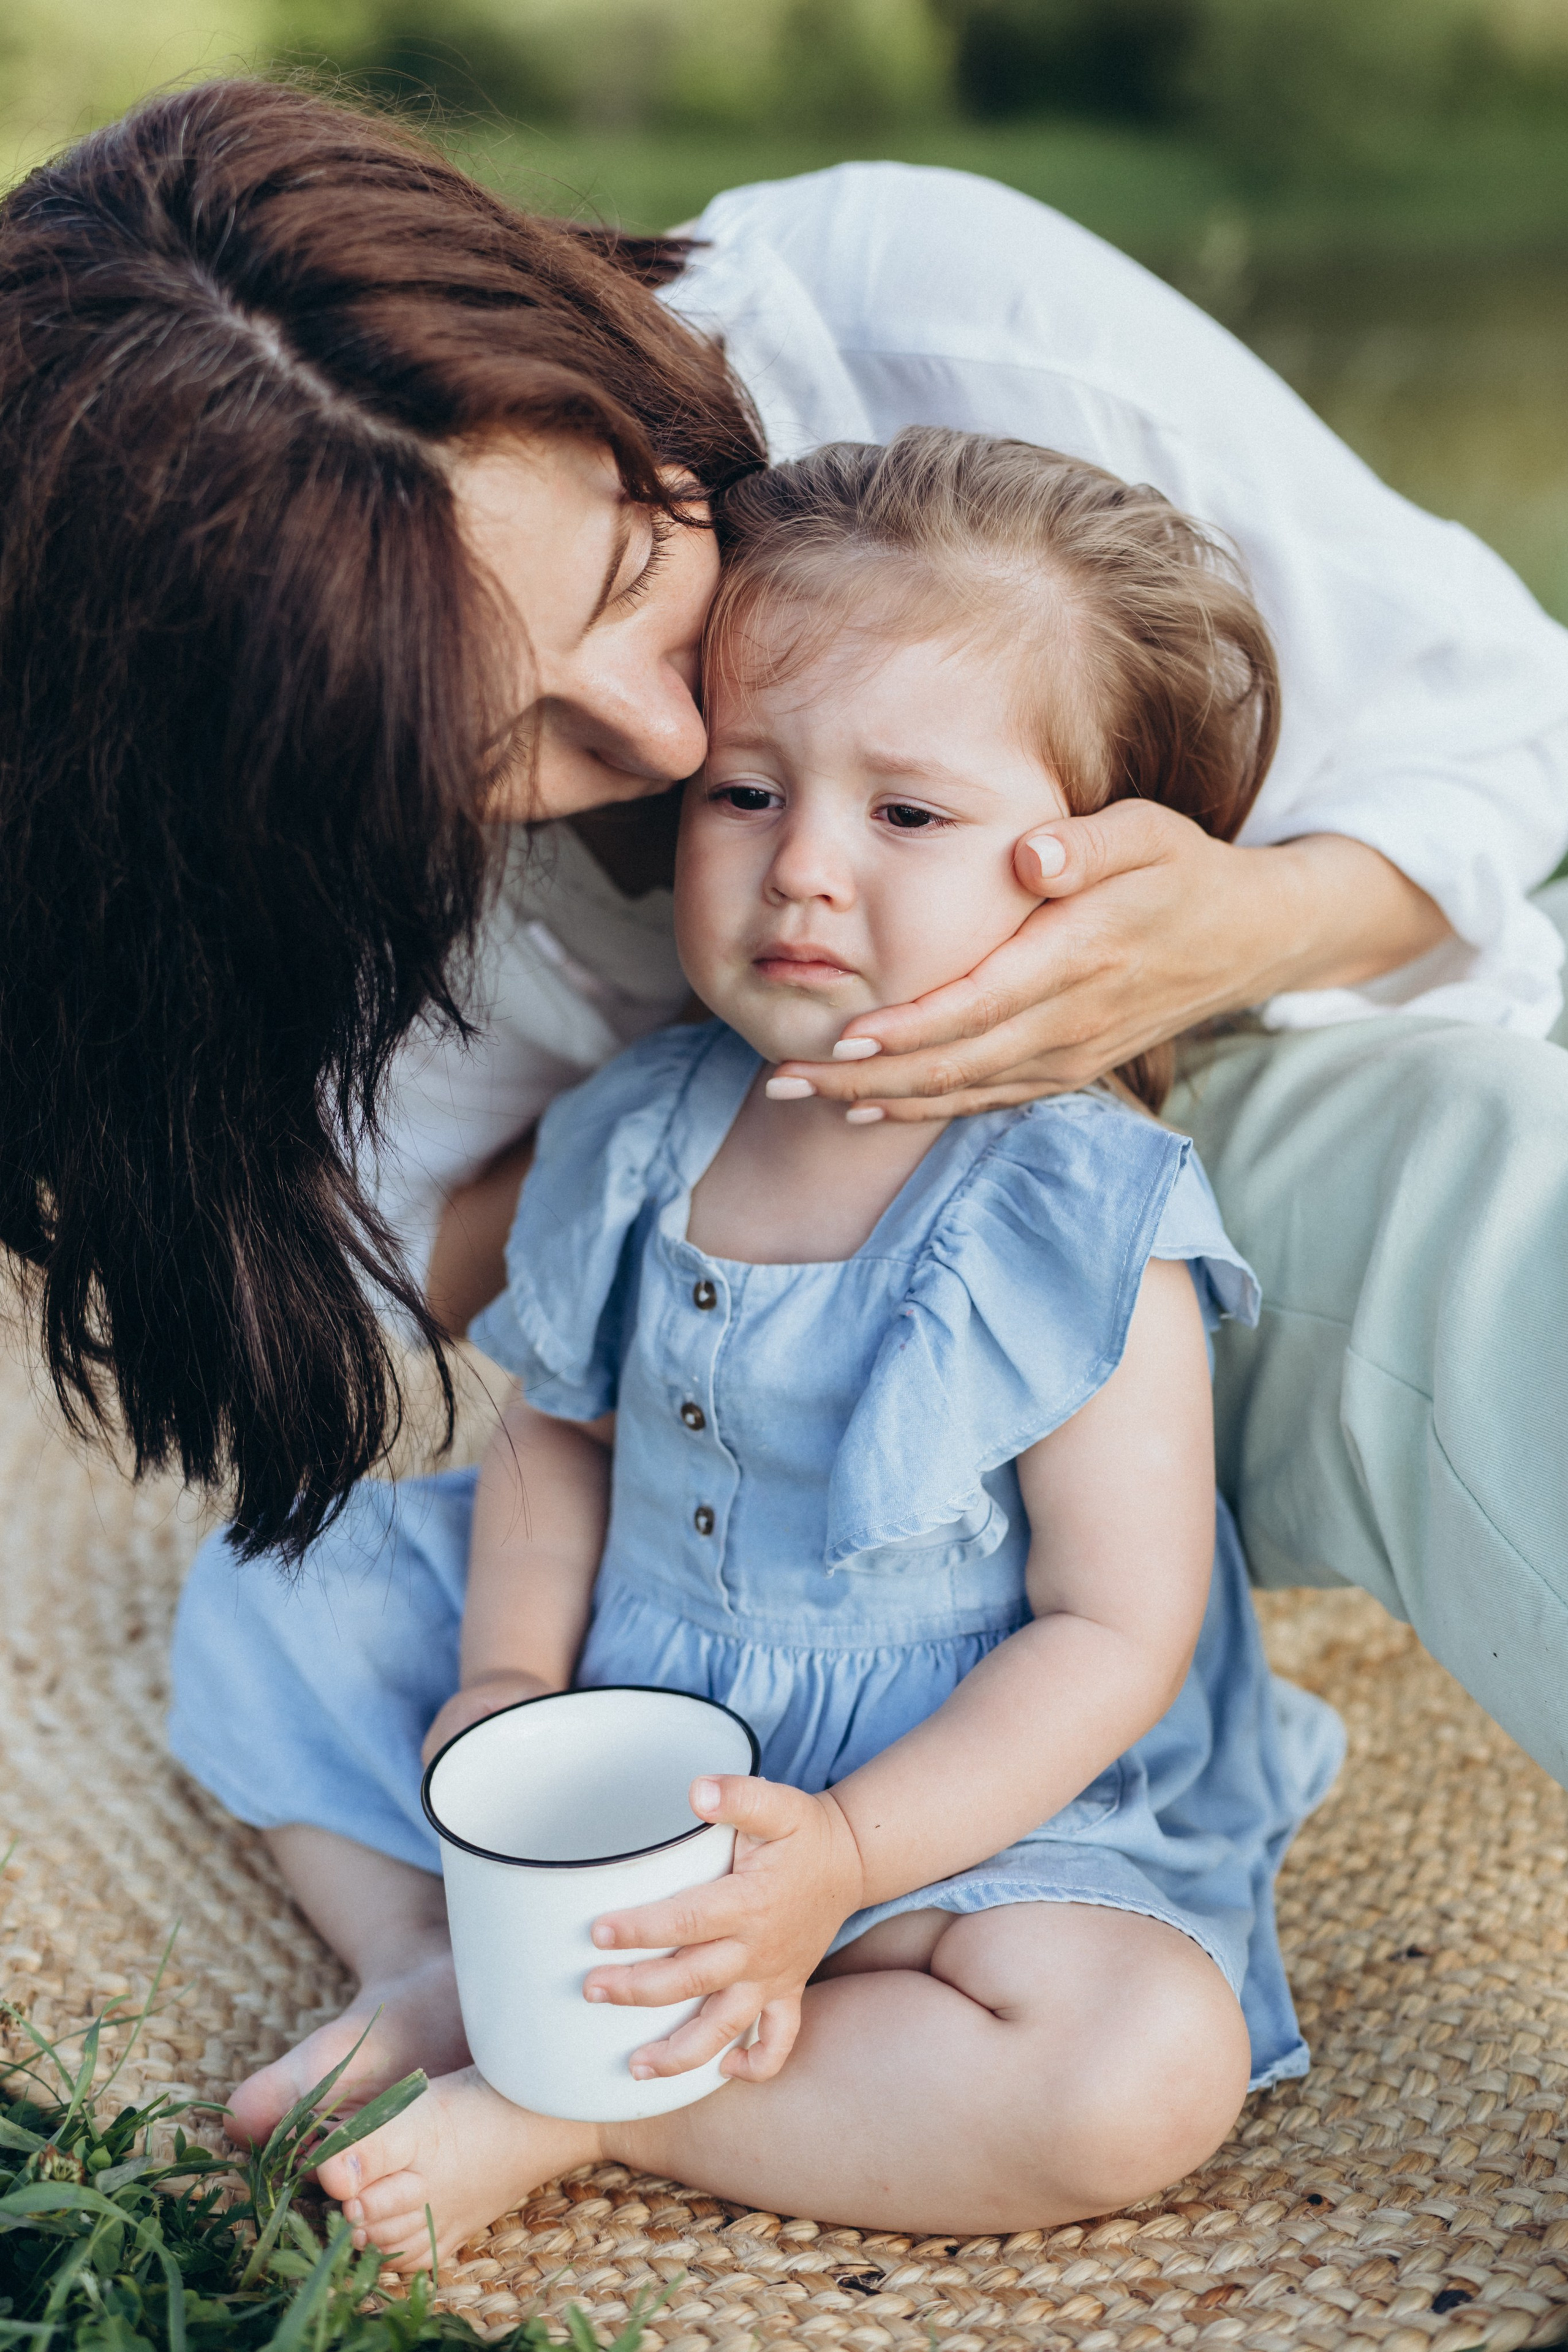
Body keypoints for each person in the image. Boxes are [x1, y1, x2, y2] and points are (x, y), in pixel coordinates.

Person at [1, 88, 1566, 1905]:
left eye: (630, 569)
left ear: (588, 360)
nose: (665, 739)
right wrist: (699, 1152)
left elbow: (1510, 721)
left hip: (1223, 1156)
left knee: (1498, 1176)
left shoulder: (910, 316)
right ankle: (534, 2003)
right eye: (489, 744)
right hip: (733, 1427)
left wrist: (1240, 925)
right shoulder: (236, 876)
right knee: (312, 1601)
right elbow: (391, 1264)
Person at [172, 430, 1346, 2253]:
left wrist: (853, 1863)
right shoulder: (636, 1126)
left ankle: (592, 2109)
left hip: (940, 1788)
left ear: (1084, 872)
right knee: (275, 1585)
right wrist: (502, 1688)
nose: (804, 869)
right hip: (633, 1698)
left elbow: (1115, 1629)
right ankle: (448, 1961)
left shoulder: (1075, 1207)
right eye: (746, 793)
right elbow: (564, 1434)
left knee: (1136, 2066)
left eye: (907, 815)